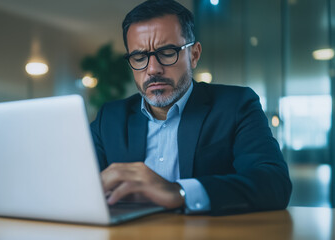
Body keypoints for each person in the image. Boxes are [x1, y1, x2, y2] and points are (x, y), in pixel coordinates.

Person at [90, 0, 292, 215]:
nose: (152, 69)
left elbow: (274, 183)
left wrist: (179, 192)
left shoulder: (236, 105)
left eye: (167, 52)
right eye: (139, 57)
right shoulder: (109, 118)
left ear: (194, 55)